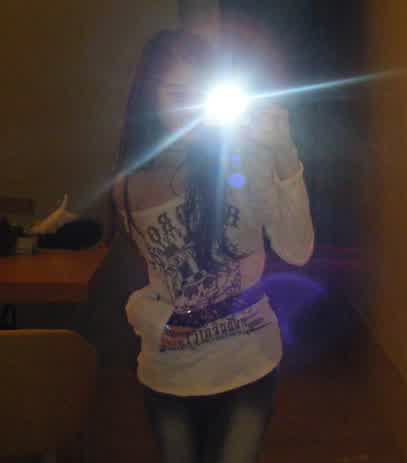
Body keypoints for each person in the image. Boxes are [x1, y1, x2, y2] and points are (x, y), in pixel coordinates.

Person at [110, 27, 314, 463]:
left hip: (250, 360)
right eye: (177, 94)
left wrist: (285, 156)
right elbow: (139, 284)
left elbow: (297, 250)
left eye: (202, 94)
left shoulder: (246, 160)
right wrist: (151, 318)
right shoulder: (128, 187)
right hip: (169, 372)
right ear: (150, 98)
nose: (192, 110)